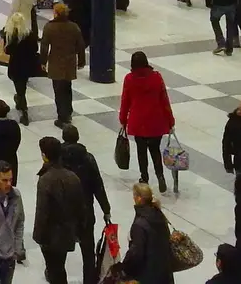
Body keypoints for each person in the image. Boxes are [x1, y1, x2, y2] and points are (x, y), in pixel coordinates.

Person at [33, 136, 91, 284]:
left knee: (54, 270)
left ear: (44, 155)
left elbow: (42, 212)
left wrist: (38, 236)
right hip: (67, 233)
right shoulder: (73, 177)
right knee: (59, 267)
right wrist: (79, 229)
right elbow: (81, 207)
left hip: (50, 236)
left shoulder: (45, 180)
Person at [119, 51, 176, 192]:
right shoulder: (156, 78)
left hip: (138, 122)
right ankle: (160, 176)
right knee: (155, 150)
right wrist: (170, 120)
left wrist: (123, 119)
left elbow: (125, 101)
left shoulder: (129, 79)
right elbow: (164, 100)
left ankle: (144, 177)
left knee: (141, 151)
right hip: (155, 121)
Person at [120, 182, 175, 284]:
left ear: (139, 198)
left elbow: (137, 252)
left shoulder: (139, 224)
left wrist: (125, 268)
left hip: (148, 275)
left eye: (134, 195)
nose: (133, 198)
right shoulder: (158, 214)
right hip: (164, 271)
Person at [40, 3, 85, 127]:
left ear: (56, 13)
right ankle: (68, 112)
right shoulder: (73, 27)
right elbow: (80, 45)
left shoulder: (49, 27)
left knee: (58, 90)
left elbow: (44, 46)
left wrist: (42, 61)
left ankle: (62, 117)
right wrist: (81, 61)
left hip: (56, 62)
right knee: (67, 88)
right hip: (70, 62)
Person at [0, 0, 41, 125]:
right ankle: (20, 102)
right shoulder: (29, 35)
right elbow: (35, 49)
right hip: (27, 65)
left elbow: (7, 51)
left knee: (20, 88)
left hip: (15, 66)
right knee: (22, 87)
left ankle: (23, 109)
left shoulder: (11, 36)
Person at [58, 124, 110, 223]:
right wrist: (106, 209)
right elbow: (98, 186)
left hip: (64, 212)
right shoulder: (88, 158)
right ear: (78, 137)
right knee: (87, 236)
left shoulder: (58, 159)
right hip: (85, 209)